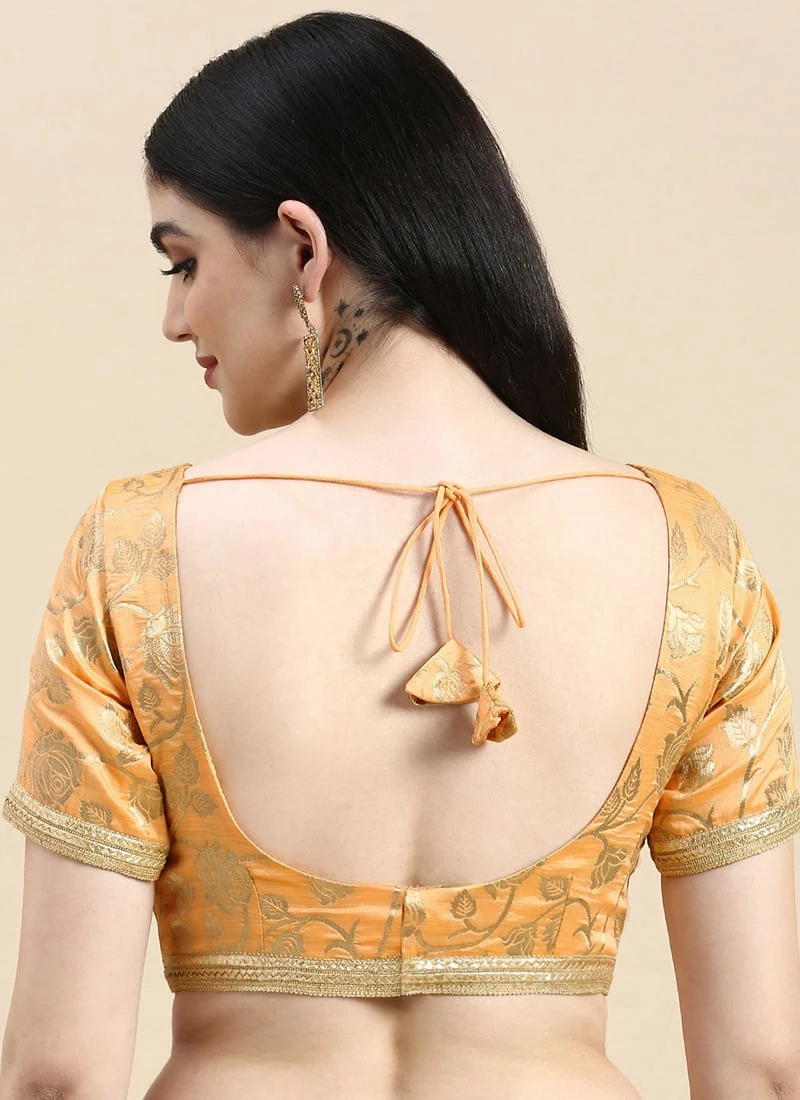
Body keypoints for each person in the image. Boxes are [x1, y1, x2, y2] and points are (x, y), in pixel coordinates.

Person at [1, 11, 799, 1100]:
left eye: (184, 263)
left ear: (302, 246)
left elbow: (58, 1072)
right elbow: (761, 1069)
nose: (175, 320)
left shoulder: (134, 554)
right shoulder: (689, 555)